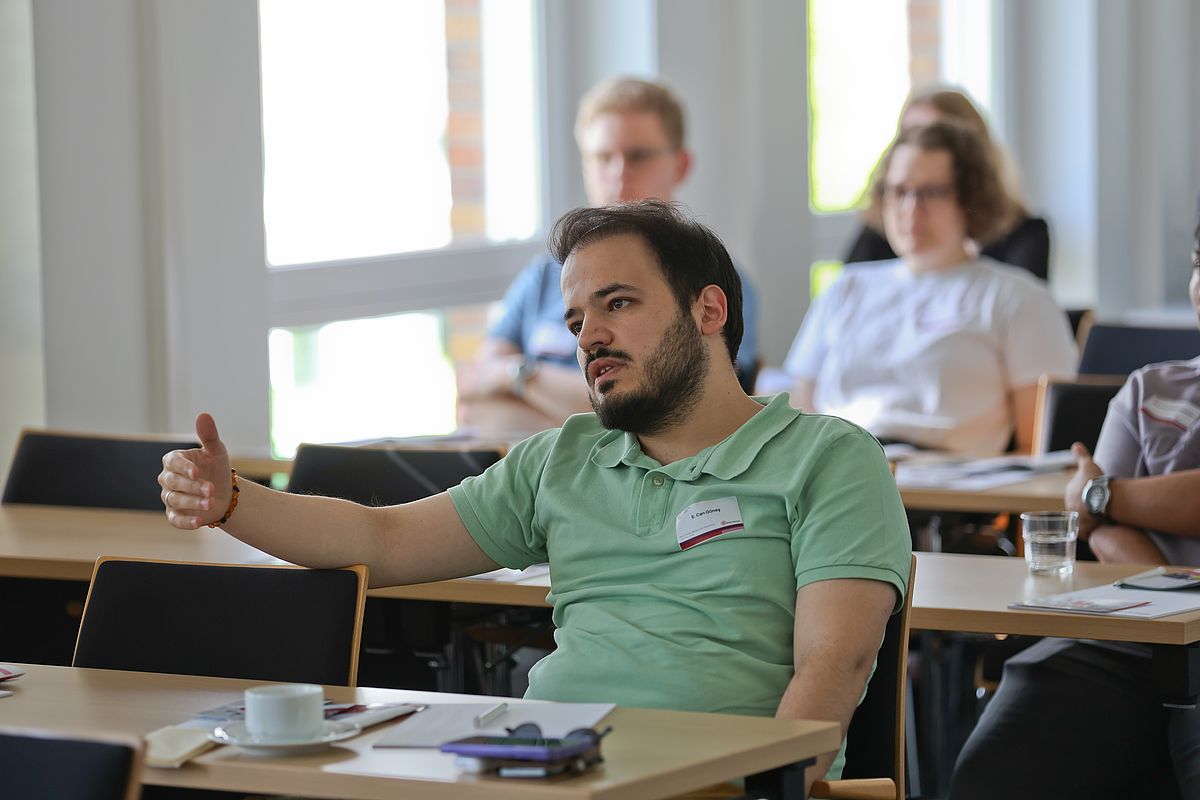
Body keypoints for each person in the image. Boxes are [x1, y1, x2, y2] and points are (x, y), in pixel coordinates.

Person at [161, 201, 910, 792]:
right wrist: (233, 501)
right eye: (578, 319)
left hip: (714, 784)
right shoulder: (563, 459)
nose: (590, 337)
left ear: (708, 311)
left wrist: (773, 789)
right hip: (541, 770)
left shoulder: (829, 457)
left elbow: (834, 664)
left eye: (618, 304)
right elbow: (381, 542)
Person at [948, 212, 1200, 800]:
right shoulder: (1148, 389)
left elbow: (1096, 506)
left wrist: (1107, 494)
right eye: (1198, 266)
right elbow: (1095, 531)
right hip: (1134, 633)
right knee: (995, 768)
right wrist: (1114, 521)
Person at [457, 77, 761, 433]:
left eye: (638, 156)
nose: (619, 175)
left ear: (680, 165)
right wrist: (598, 423)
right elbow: (474, 402)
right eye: (603, 157)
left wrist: (521, 378)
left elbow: (679, 414)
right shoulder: (542, 277)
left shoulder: (712, 278)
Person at [781, 121, 1077, 455]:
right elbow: (801, 410)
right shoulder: (845, 289)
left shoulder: (1016, 298)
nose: (911, 209)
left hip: (950, 490)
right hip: (838, 471)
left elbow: (1036, 446)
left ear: (970, 199)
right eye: (899, 191)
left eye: (932, 192)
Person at [843, 87, 1051, 281]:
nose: (918, 149)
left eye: (935, 137)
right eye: (908, 136)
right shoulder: (880, 233)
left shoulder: (1023, 241)